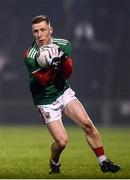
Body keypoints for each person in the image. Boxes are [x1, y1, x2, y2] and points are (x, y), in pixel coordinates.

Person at [24, 15, 120, 174]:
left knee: (87, 124)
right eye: (35, 31)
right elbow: (43, 81)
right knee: (61, 142)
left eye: (43, 30)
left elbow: (67, 73)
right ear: (32, 33)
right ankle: (54, 162)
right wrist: (53, 66)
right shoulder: (30, 54)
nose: (39, 34)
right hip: (45, 100)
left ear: (50, 30)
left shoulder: (63, 44)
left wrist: (62, 61)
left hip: (63, 91)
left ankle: (103, 162)